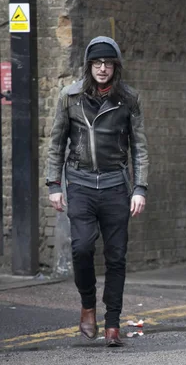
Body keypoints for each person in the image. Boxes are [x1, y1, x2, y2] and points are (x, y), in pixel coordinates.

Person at [45, 36, 149, 347]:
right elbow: (56, 143)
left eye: (108, 63)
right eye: (97, 63)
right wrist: (54, 184)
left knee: (116, 256)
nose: (102, 69)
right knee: (82, 248)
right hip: (80, 182)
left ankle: (113, 323)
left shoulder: (128, 98)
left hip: (116, 185)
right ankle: (88, 305)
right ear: (89, 66)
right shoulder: (70, 96)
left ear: (116, 66)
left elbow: (140, 147)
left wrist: (140, 188)